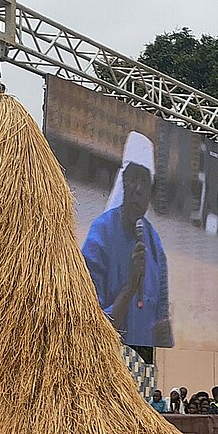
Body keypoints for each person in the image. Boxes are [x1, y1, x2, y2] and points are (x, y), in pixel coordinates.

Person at [81, 131, 173, 348]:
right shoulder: (101, 234)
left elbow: (161, 320)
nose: (138, 189)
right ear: (124, 181)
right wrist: (130, 285)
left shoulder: (154, 243)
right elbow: (88, 324)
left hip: (142, 362)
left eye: (144, 181)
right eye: (133, 179)